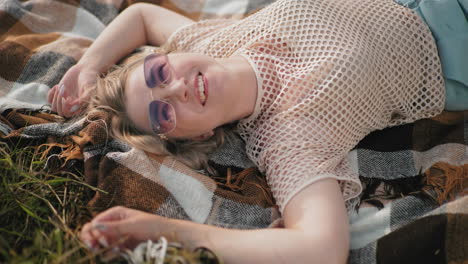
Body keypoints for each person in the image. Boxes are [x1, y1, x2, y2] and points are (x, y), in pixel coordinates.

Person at [47, 0, 468, 263]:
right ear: (196, 137)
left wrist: (89, 65)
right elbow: (320, 250)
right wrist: (167, 232)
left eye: (159, 72)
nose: (176, 87)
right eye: (164, 114)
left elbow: (139, 15)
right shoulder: (288, 138)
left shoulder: (211, 43)